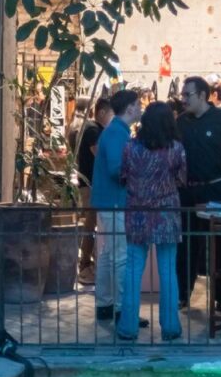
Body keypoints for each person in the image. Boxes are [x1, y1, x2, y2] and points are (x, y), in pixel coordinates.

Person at [116, 102, 187, 342]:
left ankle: (128, 327)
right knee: (168, 270)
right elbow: (181, 178)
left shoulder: (130, 147)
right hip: (167, 215)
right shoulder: (176, 149)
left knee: (133, 269)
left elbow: (123, 176)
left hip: (137, 214)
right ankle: (170, 327)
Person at [176, 76, 221, 310]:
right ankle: (182, 294)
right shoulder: (181, 122)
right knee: (186, 245)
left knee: (218, 245)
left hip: (217, 191)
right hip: (188, 192)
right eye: (182, 95)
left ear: (203, 96)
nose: (183, 99)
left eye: (188, 95)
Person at [92, 89, 144, 326]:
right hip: (115, 202)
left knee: (107, 254)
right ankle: (123, 309)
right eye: (138, 104)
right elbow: (116, 169)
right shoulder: (117, 133)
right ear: (130, 107)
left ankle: (105, 304)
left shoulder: (114, 130)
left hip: (108, 201)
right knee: (120, 256)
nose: (141, 108)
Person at [76, 97, 112, 285]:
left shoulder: (94, 129)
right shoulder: (92, 129)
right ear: (102, 112)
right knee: (91, 224)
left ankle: (88, 264)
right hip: (90, 186)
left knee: (93, 224)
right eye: (112, 114)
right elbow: (100, 154)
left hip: (92, 185)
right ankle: (85, 266)